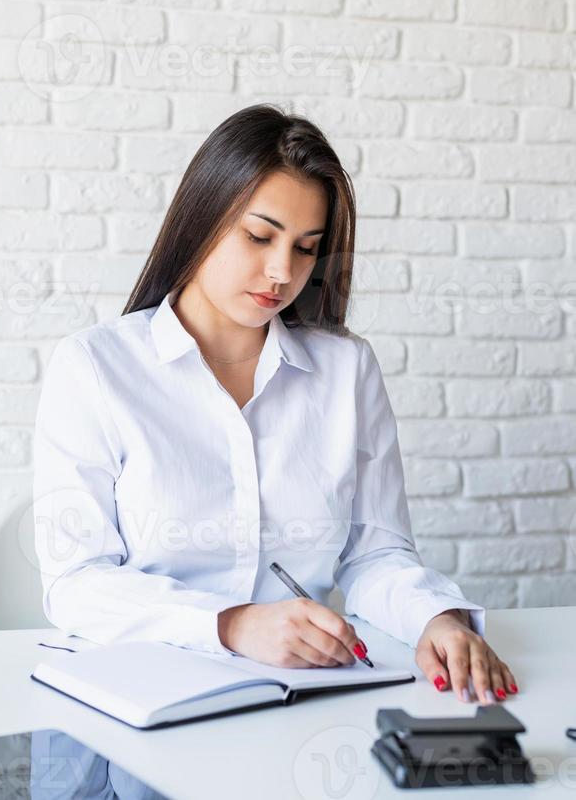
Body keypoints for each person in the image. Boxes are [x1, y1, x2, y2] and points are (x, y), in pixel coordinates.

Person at [33, 103, 519, 708]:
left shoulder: (347, 370)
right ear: (204, 218)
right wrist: (232, 624)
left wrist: (436, 620)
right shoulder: (96, 367)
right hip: (140, 695)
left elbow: (375, 553)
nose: (281, 272)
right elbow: (76, 582)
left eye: (306, 248)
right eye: (259, 236)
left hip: (301, 698)